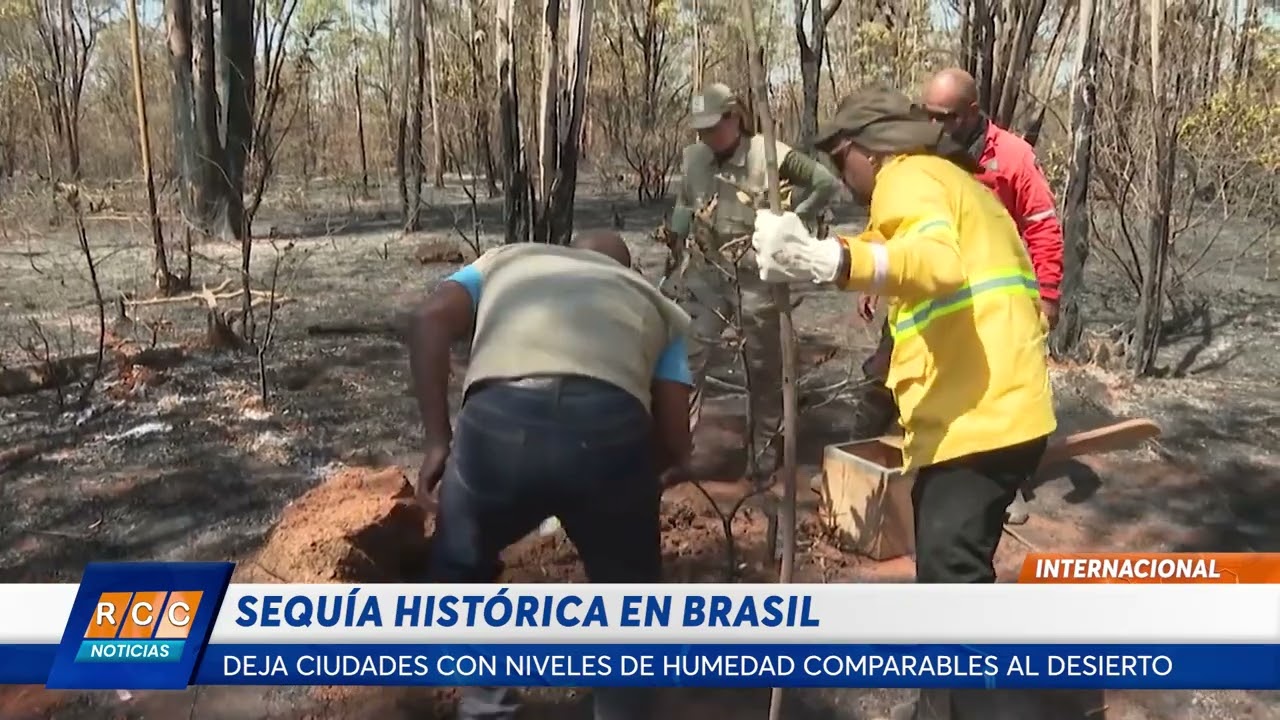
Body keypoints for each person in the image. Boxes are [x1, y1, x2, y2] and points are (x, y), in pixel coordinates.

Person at [749, 88, 1057, 720]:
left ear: (871, 148)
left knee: (954, 594)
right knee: (945, 578)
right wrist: (830, 249)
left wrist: (829, 259)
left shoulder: (907, 175)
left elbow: (936, 264)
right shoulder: (946, 180)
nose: (842, 175)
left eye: (841, 160)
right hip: (983, 415)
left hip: (984, 419)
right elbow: (915, 255)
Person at [407, 231, 694, 720]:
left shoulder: (507, 260)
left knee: (462, 564)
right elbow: (675, 439)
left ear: (566, 250)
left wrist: (438, 440)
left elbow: (427, 319)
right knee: (630, 601)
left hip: (497, 427)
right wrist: (636, 483)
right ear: (629, 271)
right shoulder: (654, 304)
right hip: (608, 432)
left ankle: (487, 705)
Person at [851, 68, 1065, 525]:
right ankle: (854, 471)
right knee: (883, 380)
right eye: (927, 114)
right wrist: (872, 269)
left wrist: (1047, 296)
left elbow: (1043, 226)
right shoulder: (921, 150)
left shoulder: (1012, 157)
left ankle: (996, 492)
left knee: (991, 399)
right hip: (927, 302)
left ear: (971, 112)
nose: (935, 124)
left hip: (987, 311)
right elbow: (897, 217)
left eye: (945, 116)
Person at [663, 81, 839, 476]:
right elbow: (683, 204)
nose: (707, 136)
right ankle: (676, 450)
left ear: (735, 116)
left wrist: (795, 218)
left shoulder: (768, 154)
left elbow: (825, 183)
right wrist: (673, 248)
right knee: (687, 358)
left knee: (764, 364)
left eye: (714, 126)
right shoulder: (694, 159)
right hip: (707, 270)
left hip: (757, 274)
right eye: (701, 129)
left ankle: (763, 451)